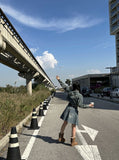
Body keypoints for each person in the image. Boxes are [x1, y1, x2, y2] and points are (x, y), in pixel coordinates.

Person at [56, 75, 94, 146]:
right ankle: (73, 141)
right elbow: (81, 105)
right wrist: (89, 105)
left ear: (73, 87)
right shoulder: (79, 95)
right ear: (79, 87)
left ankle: (60, 137)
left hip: (68, 108)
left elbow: (64, 86)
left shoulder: (70, 92)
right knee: (73, 126)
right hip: (74, 110)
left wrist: (59, 79)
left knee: (65, 123)